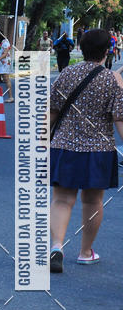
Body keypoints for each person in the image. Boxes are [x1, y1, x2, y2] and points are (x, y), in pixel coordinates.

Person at [49, 28, 123, 273]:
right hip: (98, 150)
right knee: (92, 201)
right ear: (107, 51)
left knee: (61, 200)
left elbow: (52, 111)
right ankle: (85, 252)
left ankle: (57, 247)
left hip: (64, 146)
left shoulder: (67, 73)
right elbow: (120, 119)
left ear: (80, 48)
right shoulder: (113, 80)